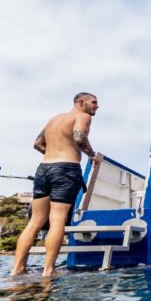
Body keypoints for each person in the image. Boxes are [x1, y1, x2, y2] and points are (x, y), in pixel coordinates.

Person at [11, 92, 99, 278]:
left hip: (43, 169)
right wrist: (91, 155)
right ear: (80, 102)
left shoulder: (54, 119)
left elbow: (37, 144)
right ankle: (48, 270)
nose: (96, 106)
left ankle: (17, 269)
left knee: (35, 221)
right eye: (94, 102)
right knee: (57, 219)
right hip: (66, 169)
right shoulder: (81, 116)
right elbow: (79, 137)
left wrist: (54, 153)